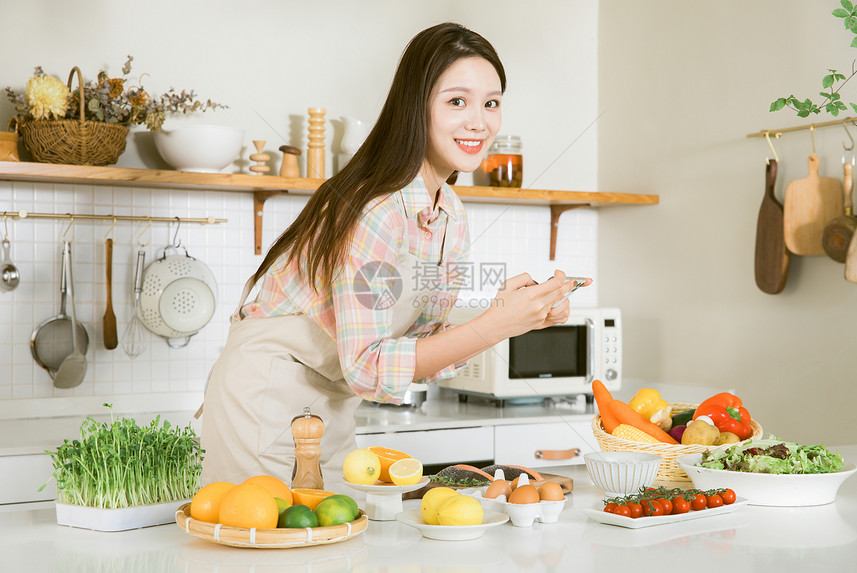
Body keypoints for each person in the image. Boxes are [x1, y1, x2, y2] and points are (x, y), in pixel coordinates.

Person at [200, 22, 586, 486]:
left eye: (492, 103)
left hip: (333, 403)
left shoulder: (451, 215)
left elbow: (425, 340)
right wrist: (493, 325)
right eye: (456, 101)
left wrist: (505, 317)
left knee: (332, 545)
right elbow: (368, 366)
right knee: (269, 550)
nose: (479, 121)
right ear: (415, 107)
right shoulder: (376, 209)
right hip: (264, 396)